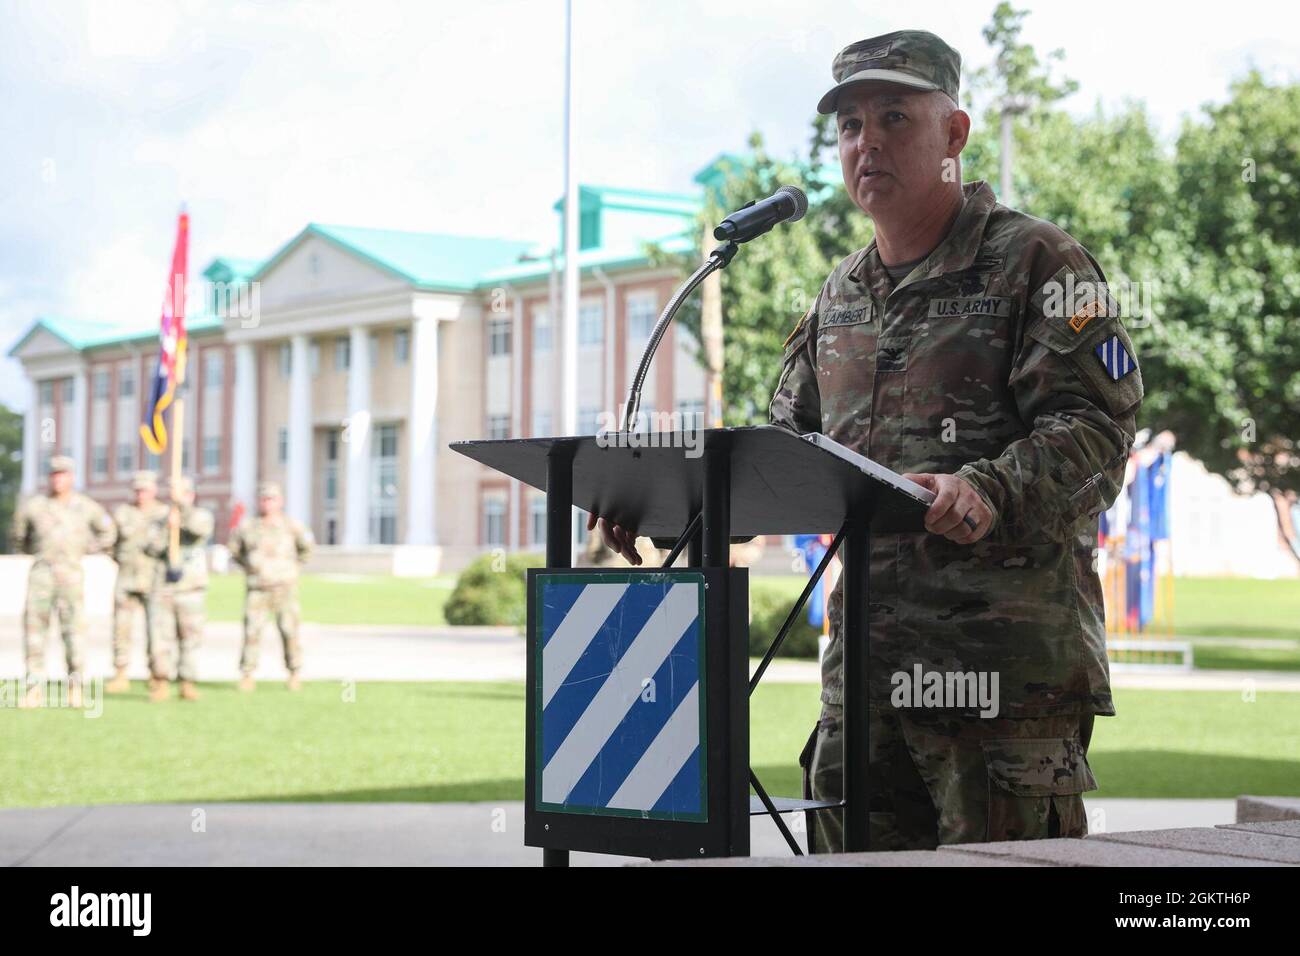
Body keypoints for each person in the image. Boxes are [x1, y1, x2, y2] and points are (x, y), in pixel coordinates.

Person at [596, 29, 1143, 852]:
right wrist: (672, 506)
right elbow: (781, 452)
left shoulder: (1037, 261)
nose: (867, 141)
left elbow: (1097, 428)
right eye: (850, 125)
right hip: (863, 684)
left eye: (893, 115)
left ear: (954, 134)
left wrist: (985, 490)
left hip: (997, 687)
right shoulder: (841, 292)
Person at [10, 456, 115, 708]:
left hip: (71, 576)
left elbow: (108, 531)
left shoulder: (86, 506)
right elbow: (19, 536)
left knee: (74, 633)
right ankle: (34, 688)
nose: (59, 479)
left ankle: (75, 687)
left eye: (64, 474)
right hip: (42, 576)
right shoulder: (34, 506)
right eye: (55, 474)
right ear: (50, 478)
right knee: (35, 633)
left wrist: (90, 547)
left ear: (72, 477)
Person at [227, 482, 313, 692]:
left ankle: (294, 672)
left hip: (284, 588)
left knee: (289, 631)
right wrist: (252, 568)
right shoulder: (248, 527)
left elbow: (306, 550)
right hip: (258, 588)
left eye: (272, 499)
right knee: (252, 631)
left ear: (280, 501)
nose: (268, 503)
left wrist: (291, 570)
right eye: (264, 499)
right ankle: (247, 673)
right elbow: (235, 551)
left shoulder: (292, 526)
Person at [146, 476, 214, 702]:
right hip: (163, 588)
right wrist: (168, 527)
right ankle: (161, 680)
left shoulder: (201, 515)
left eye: (184, 494)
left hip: (190, 588)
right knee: (160, 639)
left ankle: (187, 681)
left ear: (191, 495)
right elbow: (150, 547)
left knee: (190, 638)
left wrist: (181, 512)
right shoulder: (161, 519)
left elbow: (198, 530)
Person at [106, 471, 170, 694]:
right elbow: (110, 542)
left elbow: (172, 547)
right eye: (138, 490)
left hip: (154, 580)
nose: (141, 494)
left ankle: (157, 674)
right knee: (121, 629)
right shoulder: (123, 513)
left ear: (153, 491)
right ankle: (121, 673)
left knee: (157, 631)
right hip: (126, 579)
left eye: (145, 490)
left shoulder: (165, 514)